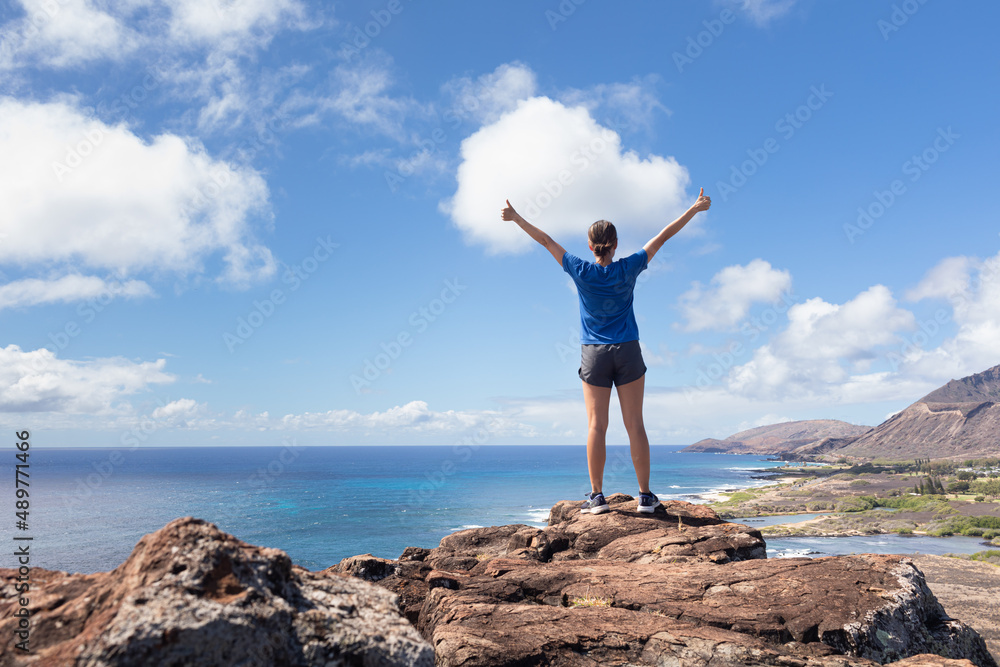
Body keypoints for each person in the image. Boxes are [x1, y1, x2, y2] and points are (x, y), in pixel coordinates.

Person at [500, 189, 712, 514]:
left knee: (596, 425)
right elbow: (663, 236)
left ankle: (597, 498)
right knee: (635, 425)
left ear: (590, 245)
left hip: (594, 353)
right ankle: (644, 498)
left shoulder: (580, 270)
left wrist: (515, 218)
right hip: (628, 350)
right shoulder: (629, 267)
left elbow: (545, 241)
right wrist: (694, 209)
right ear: (616, 244)